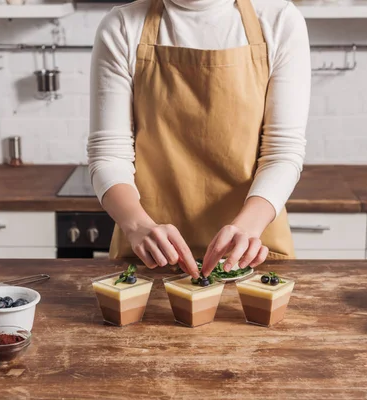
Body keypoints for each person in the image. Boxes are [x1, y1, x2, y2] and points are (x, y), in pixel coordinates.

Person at [88, 0, 310, 278]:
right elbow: (109, 154)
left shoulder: (280, 21)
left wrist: (248, 227)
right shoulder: (122, 26)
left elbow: (282, 151)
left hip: (251, 252)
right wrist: (136, 225)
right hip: (150, 255)